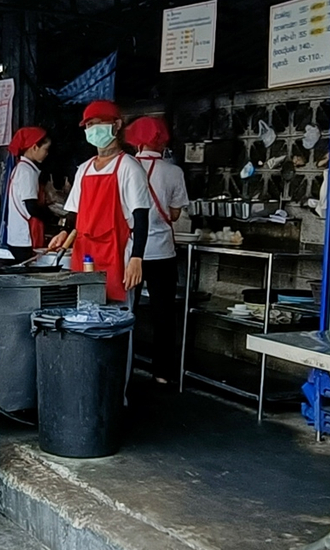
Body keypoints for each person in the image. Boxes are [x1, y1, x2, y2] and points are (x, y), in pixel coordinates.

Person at [49, 100, 151, 304]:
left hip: (116, 253)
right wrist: (64, 232)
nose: (93, 129)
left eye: (98, 123)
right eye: (88, 125)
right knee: (83, 308)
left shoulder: (129, 168)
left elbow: (141, 217)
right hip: (84, 252)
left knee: (114, 314)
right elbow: (73, 212)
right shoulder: (84, 169)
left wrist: (137, 258)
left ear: (117, 125)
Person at [124, 115, 189, 385]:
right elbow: (174, 214)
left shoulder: (126, 167)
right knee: (164, 314)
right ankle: (162, 372)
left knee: (127, 310)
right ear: (163, 142)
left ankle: (124, 367)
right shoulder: (174, 171)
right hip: (162, 252)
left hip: (131, 251)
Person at [0, 127, 65, 264]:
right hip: (24, 237)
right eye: (45, 149)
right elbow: (31, 207)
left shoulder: (23, 168)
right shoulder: (26, 172)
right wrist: (53, 219)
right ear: (34, 147)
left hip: (20, 235)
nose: (47, 154)